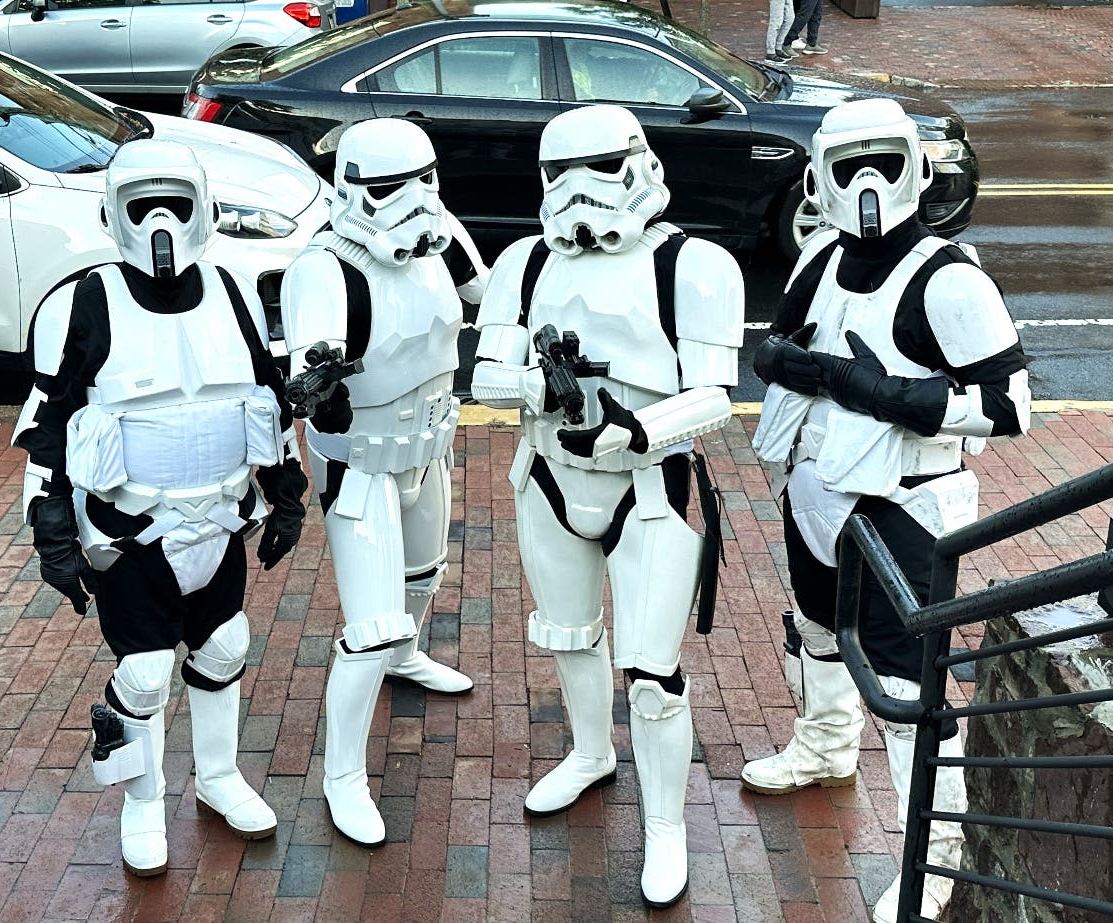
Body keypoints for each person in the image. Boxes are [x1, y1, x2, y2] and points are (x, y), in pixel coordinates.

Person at [741, 98, 1030, 922]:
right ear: (820, 177)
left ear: (917, 167)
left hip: (905, 502)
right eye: (849, 165)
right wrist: (788, 361)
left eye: (884, 161)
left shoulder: (949, 279)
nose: (868, 182)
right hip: (816, 485)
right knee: (820, 631)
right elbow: (783, 340)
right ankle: (826, 747)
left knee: (909, 682)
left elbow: (1010, 406)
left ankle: (932, 851)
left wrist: (888, 393)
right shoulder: (818, 259)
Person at [471, 105, 744, 908]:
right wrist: (536, 386)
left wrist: (636, 429)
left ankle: (665, 823)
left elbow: (714, 397)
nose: (580, 191)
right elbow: (484, 373)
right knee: (569, 634)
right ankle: (591, 751)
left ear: (638, 165)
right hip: (549, 478)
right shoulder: (523, 263)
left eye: (600, 167)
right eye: (563, 173)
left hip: (649, 486)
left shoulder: (692, 266)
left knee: (654, 675)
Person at [13, 139, 307, 876]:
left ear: (203, 209)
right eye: (144, 207)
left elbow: (265, 399)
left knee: (224, 646)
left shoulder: (233, 290)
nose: (161, 224)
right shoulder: (82, 301)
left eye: (176, 204)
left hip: (220, 520)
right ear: (116, 214)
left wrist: (287, 494)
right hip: (131, 533)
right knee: (143, 672)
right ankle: (142, 801)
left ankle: (218, 777)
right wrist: (50, 531)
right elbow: (48, 423)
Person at [280, 117, 486, 847]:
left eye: (425, 181)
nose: (414, 200)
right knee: (367, 629)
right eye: (392, 187)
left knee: (424, 575)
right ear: (352, 189)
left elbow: (487, 294)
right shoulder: (325, 268)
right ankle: (342, 775)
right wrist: (316, 382)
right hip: (360, 464)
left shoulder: (442, 236)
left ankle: (410, 655)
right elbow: (310, 357)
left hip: (430, 446)